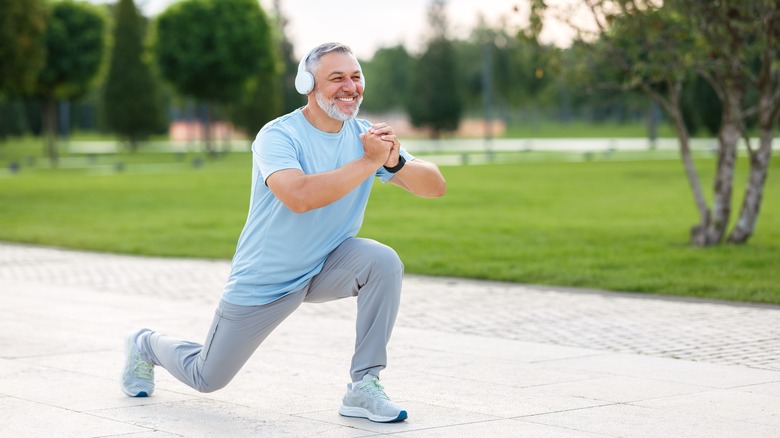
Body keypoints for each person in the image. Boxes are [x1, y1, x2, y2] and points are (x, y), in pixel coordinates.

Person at [120, 42, 446, 423]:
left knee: (382, 262)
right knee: (207, 377)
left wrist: (395, 159)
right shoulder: (278, 136)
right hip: (267, 279)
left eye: (356, 77)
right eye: (336, 78)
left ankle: (364, 386)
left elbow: (434, 186)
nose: (350, 87)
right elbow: (299, 196)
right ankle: (145, 344)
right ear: (306, 83)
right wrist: (370, 161)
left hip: (326, 265)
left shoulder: (365, 138)